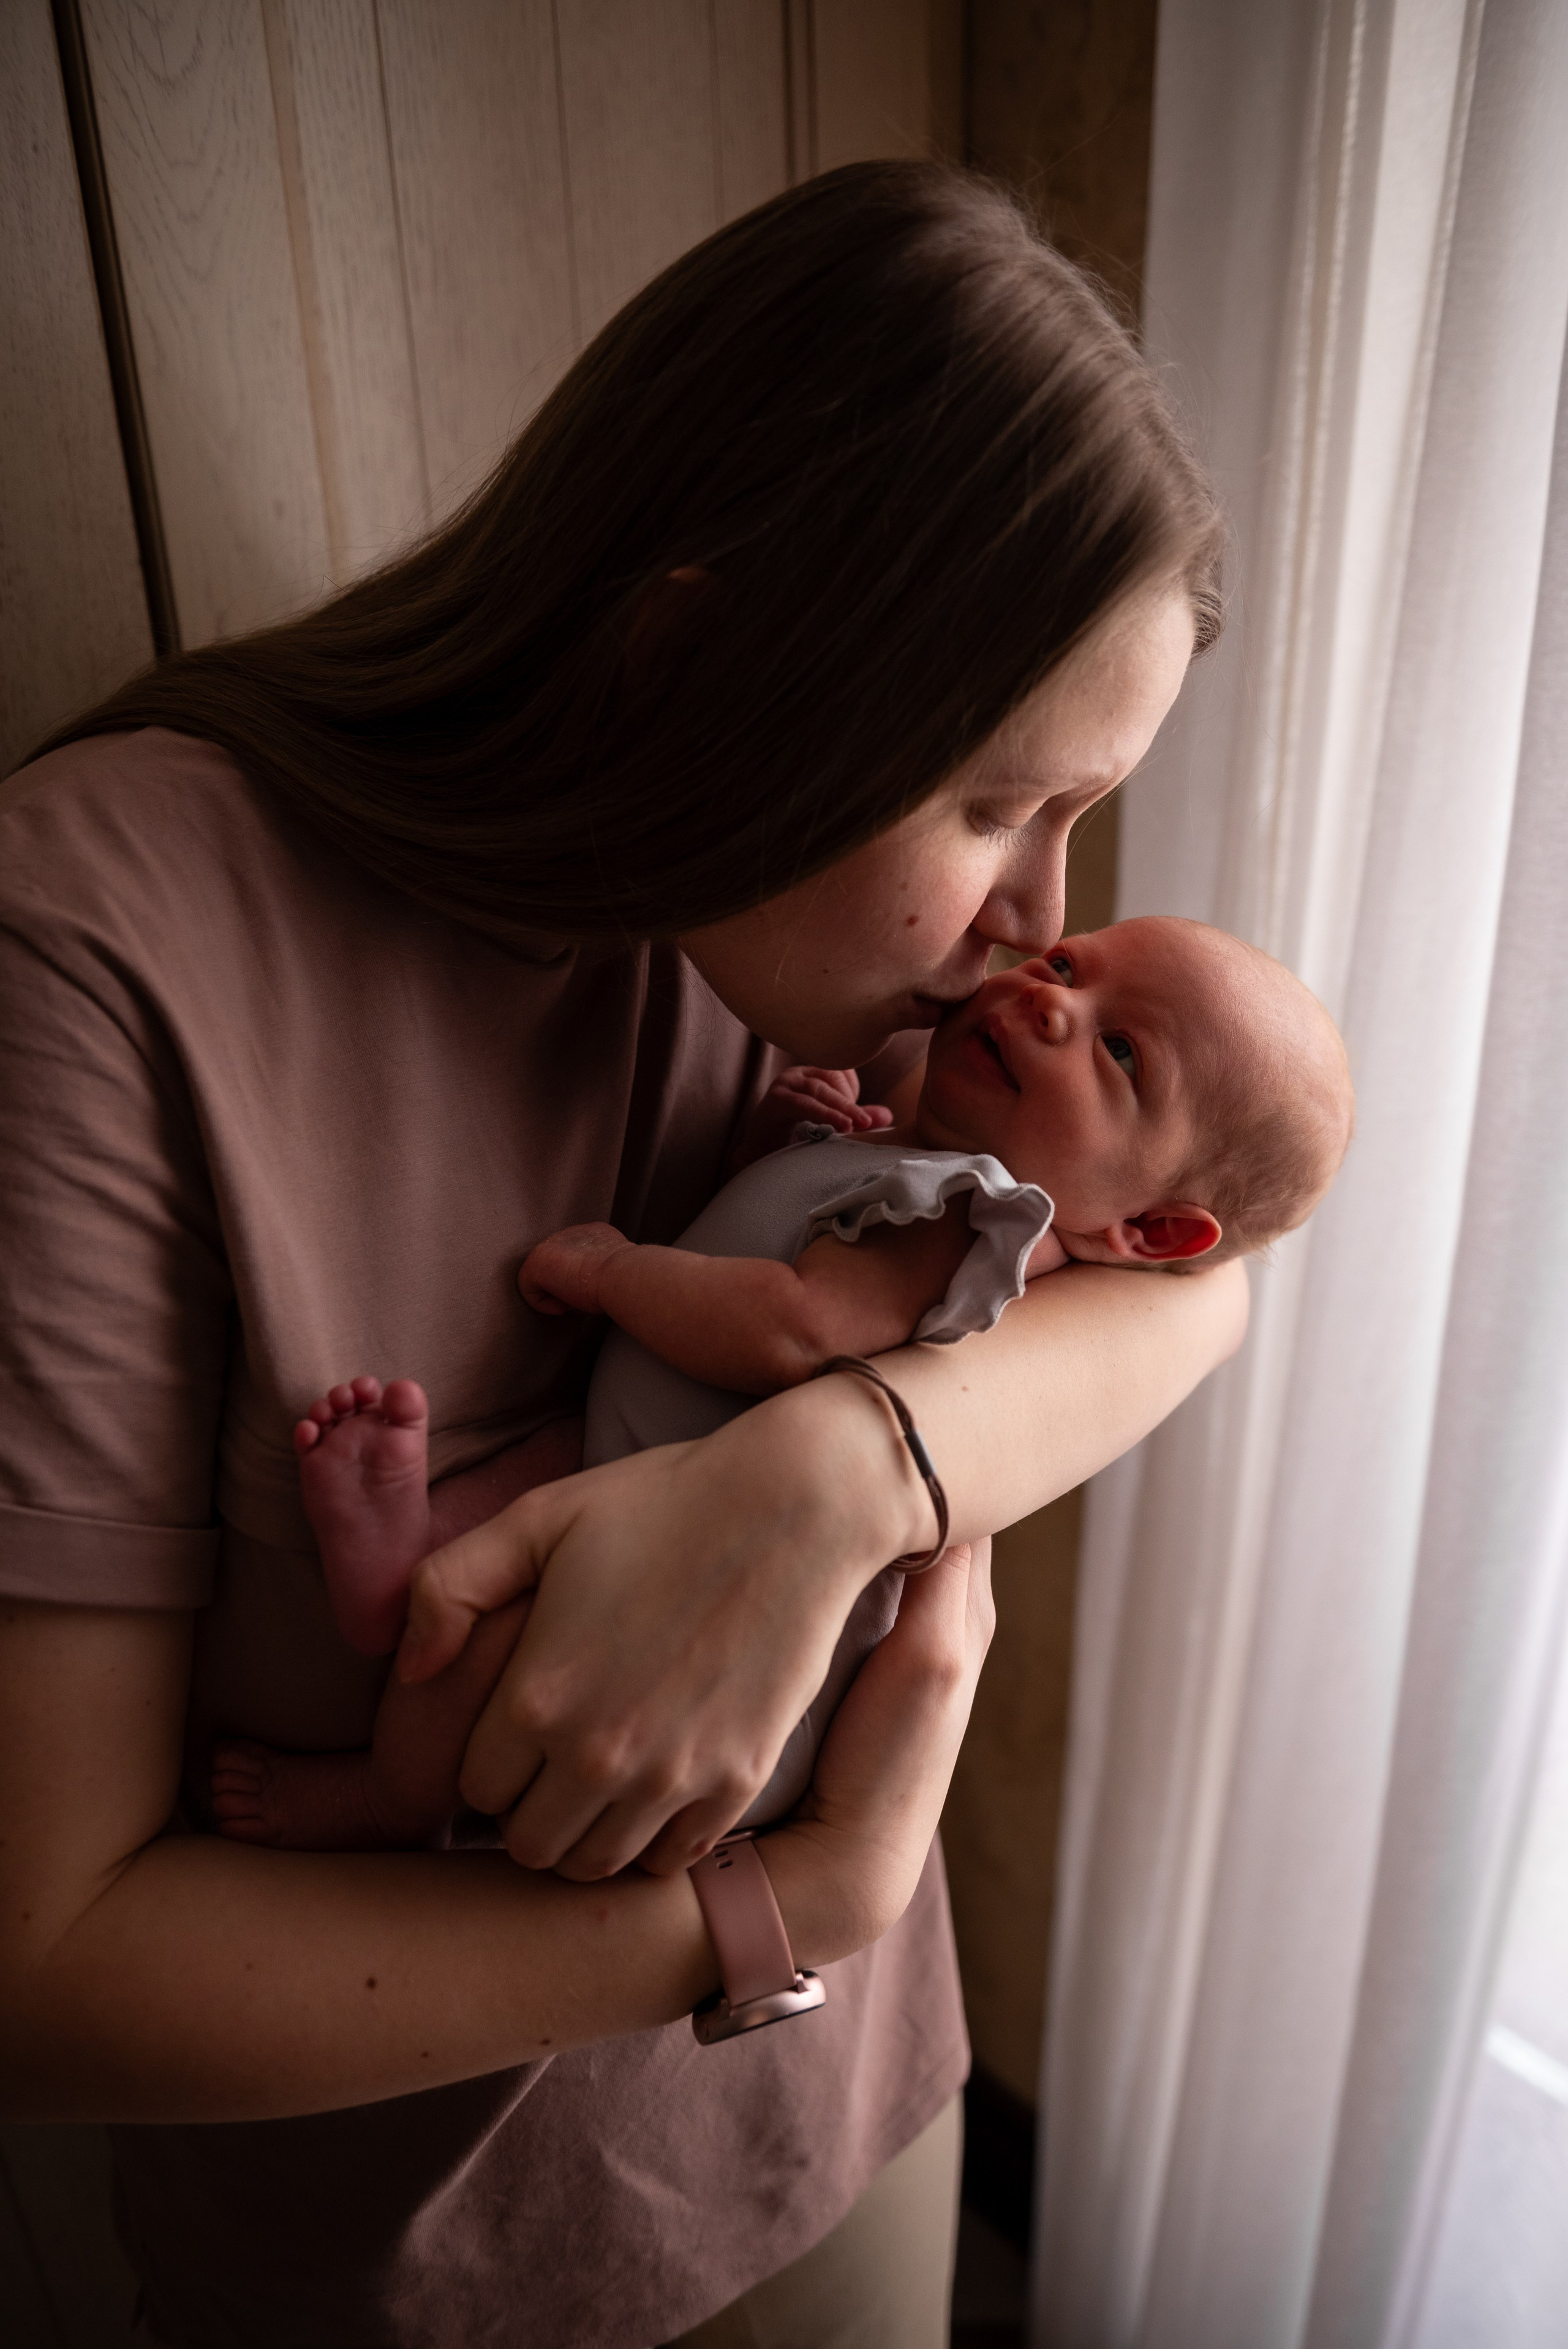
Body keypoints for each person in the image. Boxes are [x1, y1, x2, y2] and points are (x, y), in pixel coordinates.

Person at [0, 165, 1249, 2348]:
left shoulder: (795, 953)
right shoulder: (97, 952)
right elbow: (44, 1963)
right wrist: (787, 1898)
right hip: (398, 2265)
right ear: (694, 657)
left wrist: (840, 1473)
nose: (1044, 919)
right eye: (990, 806)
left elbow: (1202, 1273)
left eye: (1076, 814)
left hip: (845, 2116)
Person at [208, 916, 1349, 1860]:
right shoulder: (916, 1160)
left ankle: (385, 1800)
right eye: (1066, 965)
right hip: (644, 1459)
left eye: (1122, 1054)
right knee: (534, 1492)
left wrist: (613, 1275)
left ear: (1150, 1229)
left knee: (510, 1644)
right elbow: (777, 1236)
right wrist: (795, 1139)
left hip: (694, 1588)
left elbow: (796, 1327)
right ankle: (403, 1562)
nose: (1050, 997)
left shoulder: (971, 1209)